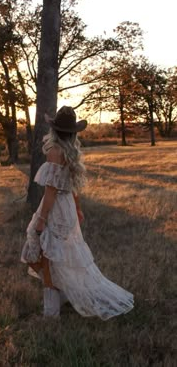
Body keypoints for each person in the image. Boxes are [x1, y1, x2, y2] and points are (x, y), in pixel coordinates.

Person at [21, 106, 134, 319]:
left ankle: (51, 312)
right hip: (67, 208)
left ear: (54, 129)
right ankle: (63, 294)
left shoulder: (55, 151)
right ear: (72, 133)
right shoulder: (69, 151)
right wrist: (78, 208)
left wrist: (42, 219)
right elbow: (71, 186)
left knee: (45, 258)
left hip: (56, 209)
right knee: (51, 257)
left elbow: (51, 191)